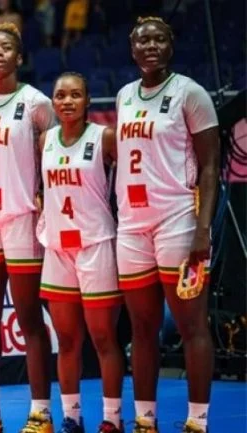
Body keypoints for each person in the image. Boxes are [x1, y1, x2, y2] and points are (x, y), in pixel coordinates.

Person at [116, 17, 219, 433]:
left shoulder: (190, 93)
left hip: (177, 218)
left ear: (171, 45)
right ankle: (145, 421)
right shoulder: (124, 95)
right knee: (142, 328)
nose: (151, 46)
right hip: (132, 224)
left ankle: (197, 421)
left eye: (159, 39)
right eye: (143, 41)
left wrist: (202, 228)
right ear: (132, 48)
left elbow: (210, 168)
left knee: (192, 325)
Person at [0, 23, 56, 433]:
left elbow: (55, 157)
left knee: (28, 315)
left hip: (21, 216)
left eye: (5, 48)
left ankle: (41, 413)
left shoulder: (36, 103)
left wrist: (46, 203)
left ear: (19, 57)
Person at [38, 72, 124, 433]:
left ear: (88, 100)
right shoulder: (44, 140)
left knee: (103, 337)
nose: (67, 101)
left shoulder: (104, 137)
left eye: (75, 95)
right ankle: (72, 417)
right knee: (67, 340)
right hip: (58, 248)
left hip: (95, 244)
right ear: (53, 102)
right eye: (61, 95)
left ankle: (112, 419)